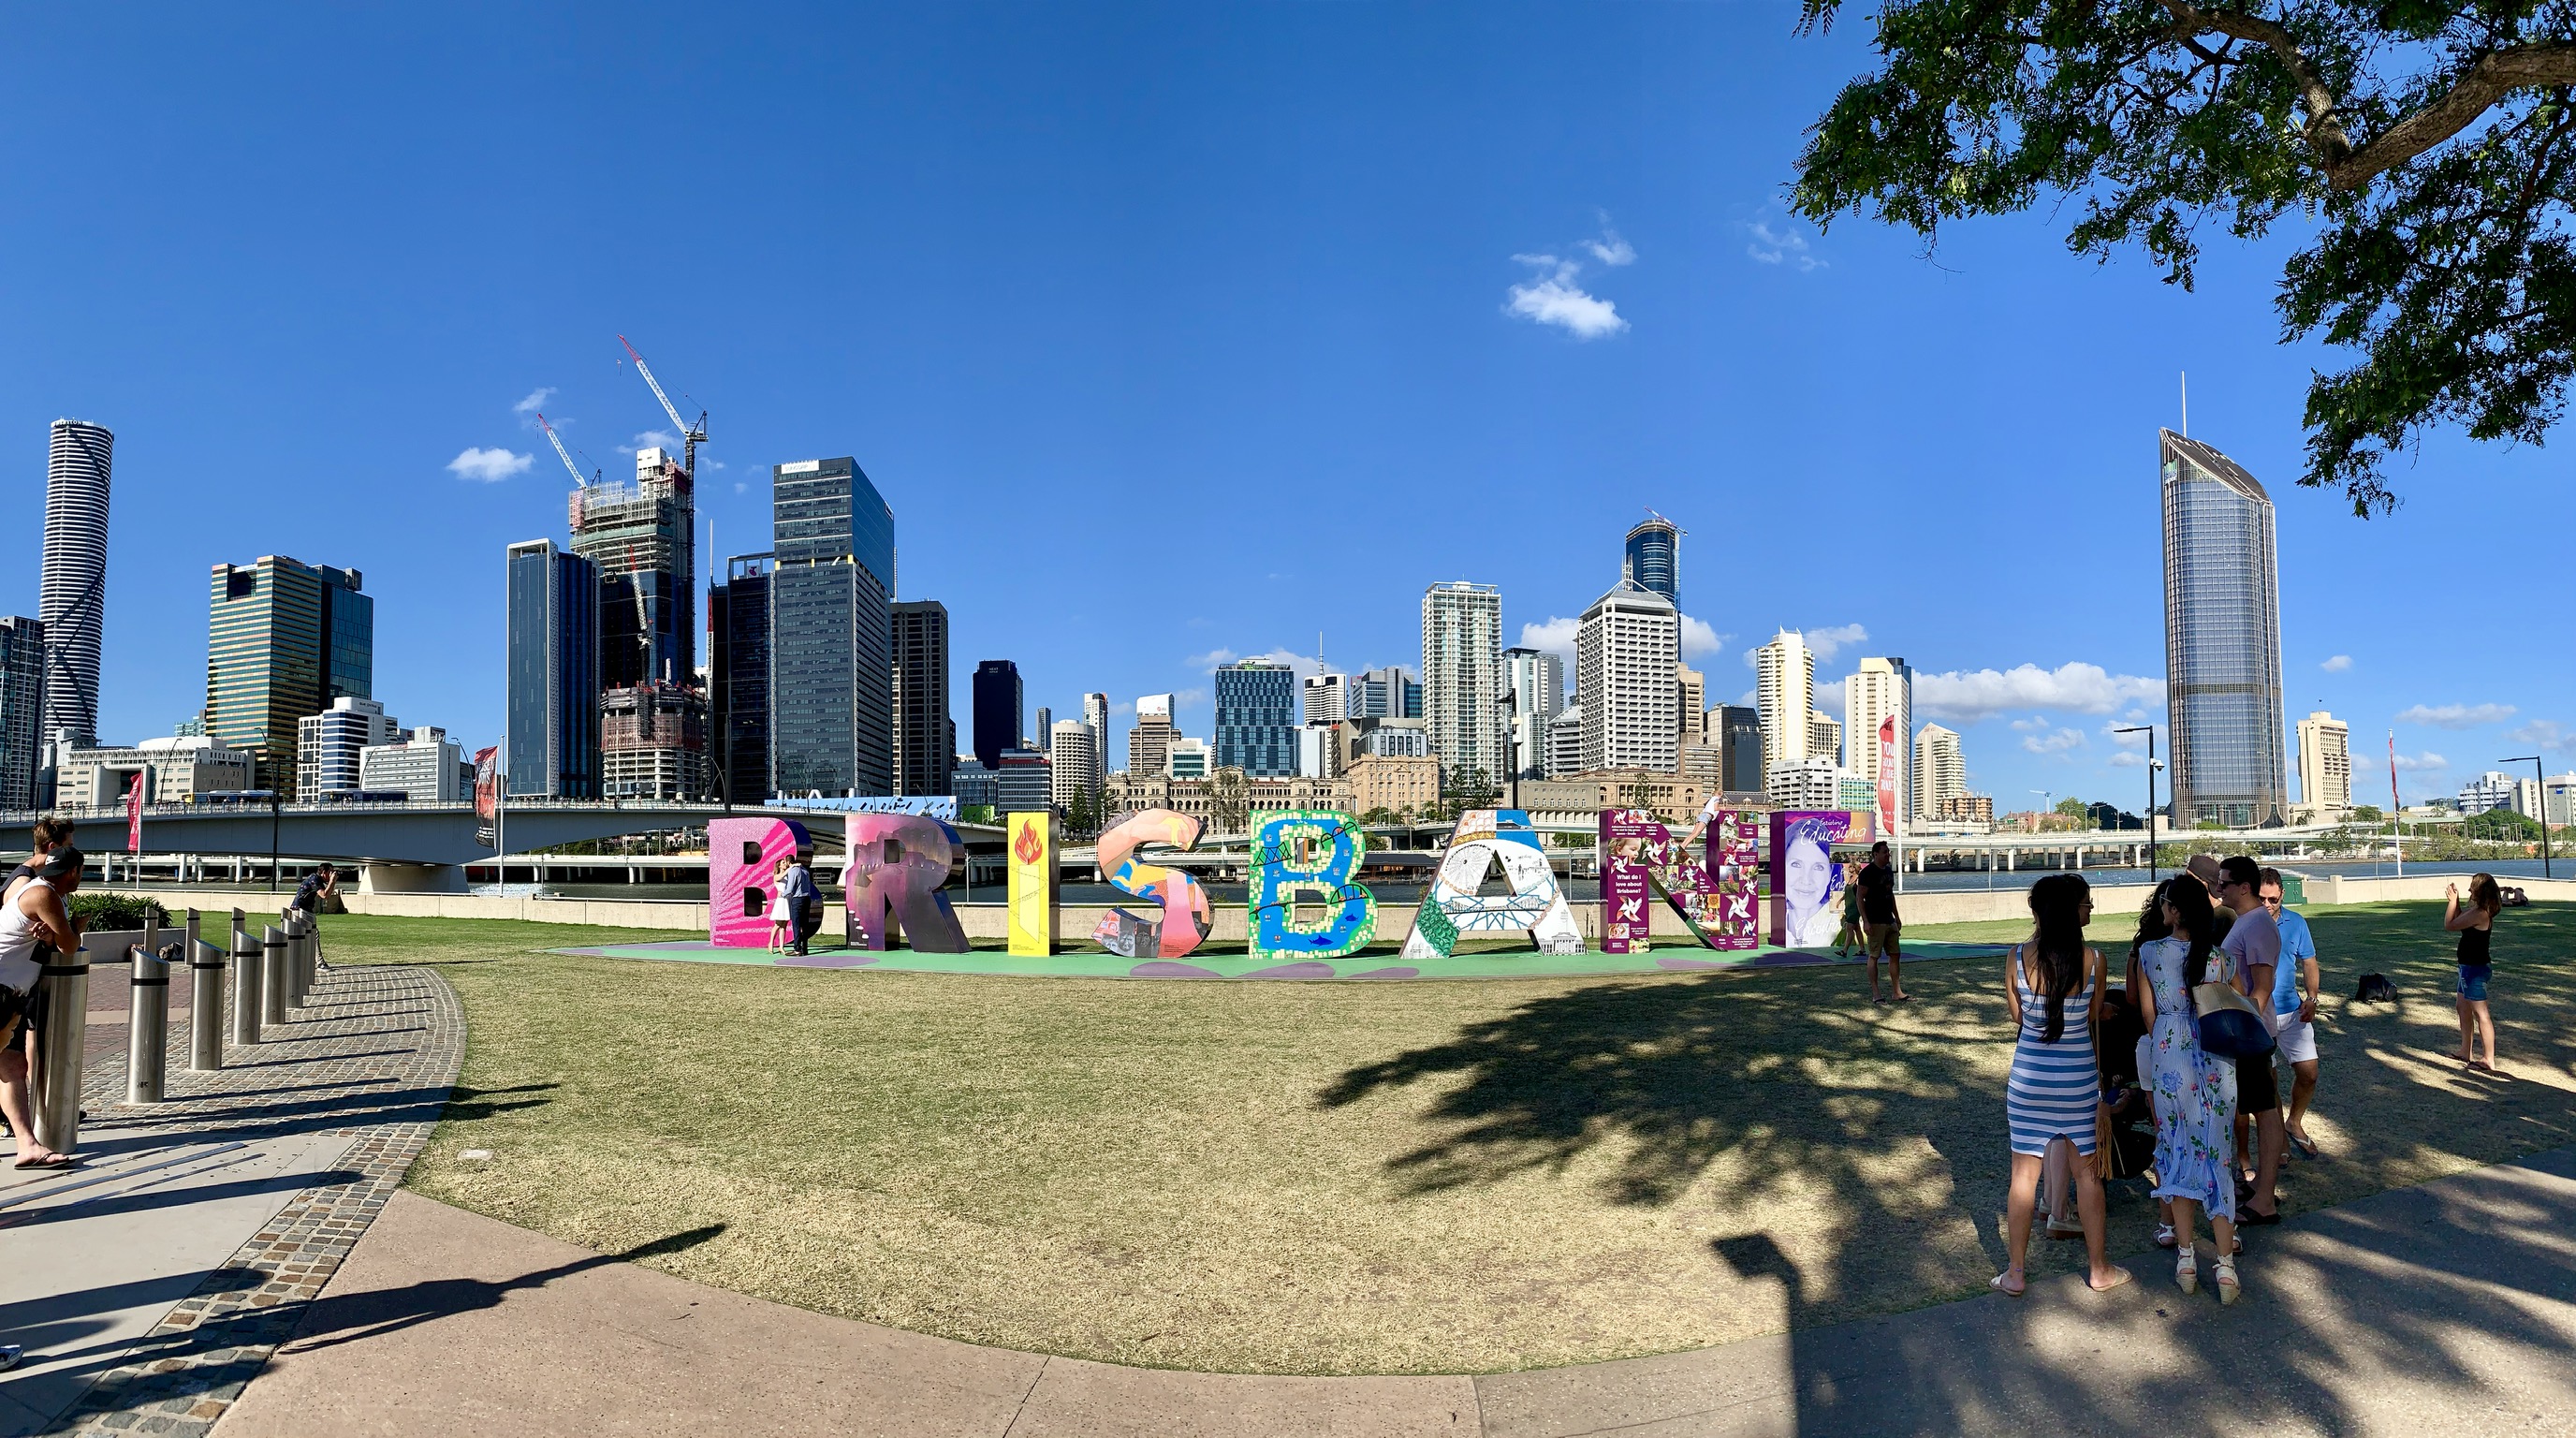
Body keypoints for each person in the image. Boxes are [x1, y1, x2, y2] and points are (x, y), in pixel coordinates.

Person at [1993, 873, 2131, 1297]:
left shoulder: (2016, 957)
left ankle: (2015, 1272)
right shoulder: (2094, 959)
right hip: (2078, 1081)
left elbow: (2018, 1017)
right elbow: (2093, 1010)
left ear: (2035, 911)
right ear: (2074, 912)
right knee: (2087, 1177)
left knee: (2022, 1177)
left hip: (2028, 1080)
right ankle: (2099, 1269)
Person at [2136, 873, 2243, 1302]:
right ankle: (2226, 1265)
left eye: (2165, 902)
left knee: (2177, 1148)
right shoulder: (2220, 959)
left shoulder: (2150, 953)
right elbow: (2239, 1004)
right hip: (2217, 1059)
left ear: (2174, 911)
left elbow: (2148, 1014)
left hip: (2170, 1055)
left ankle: (2185, 1256)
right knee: (2217, 1154)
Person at [2, 847, 86, 1169]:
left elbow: (53, 941)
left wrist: (51, 936)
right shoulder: (44, 895)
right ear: (73, 871)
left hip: (8, 995)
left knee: (11, 1067)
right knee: (9, 1067)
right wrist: (66, 932)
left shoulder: (36, 890)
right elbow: (69, 946)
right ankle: (28, 1144)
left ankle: (28, 1146)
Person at [2216, 855, 2284, 1224]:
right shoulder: (2248, 922)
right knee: (2261, 1107)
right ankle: (2261, 1191)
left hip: (2251, 1034)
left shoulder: (2256, 924)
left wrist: (2242, 1026)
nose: (2218, 888)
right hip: (2246, 1031)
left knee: (2265, 1110)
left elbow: (2263, 986)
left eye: (2224, 883)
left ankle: (2265, 1199)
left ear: (2244, 887)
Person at [2260, 869, 2323, 1156]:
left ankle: (2293, 1122)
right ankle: (2278, 1140)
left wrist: (2312, 998)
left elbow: (2309, 962)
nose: (2267, 904)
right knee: (2269, 1080)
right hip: (2260, 1014)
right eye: (2262, 898)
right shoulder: (2246, 923)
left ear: (2282, 894)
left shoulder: (2296, 923)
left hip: (2293, 1010)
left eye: (2273, 899)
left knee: (2309, 1073)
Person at [2445, 873, 2503, 1073]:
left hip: (2475, 970)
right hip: (2466, 968)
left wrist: (2452, 902)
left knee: (2481, 1013)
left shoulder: (2481, 913)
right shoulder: (2476, 911)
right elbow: (2460, 919)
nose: (2470, 890)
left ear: (2480, 890)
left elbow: (2450, 925)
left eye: (2472, 887)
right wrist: (2456, 902)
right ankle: (2465, 1051)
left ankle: (2488, 1059)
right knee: (2462, 1007)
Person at [1778, 817, 1843, 949]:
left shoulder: (1840, 924)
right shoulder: (1778, 922)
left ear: (1830, 873)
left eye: (1818, 867)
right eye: (1796, 864)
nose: (1806, 879)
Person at [1857, 840, 1908, 1004]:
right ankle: (1876, 993)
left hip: (1889, 920)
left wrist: (1897, 917)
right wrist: (1865, 921)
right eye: (1885, 852)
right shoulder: (1867, 873)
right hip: (1875, 921)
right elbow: (1860, 898)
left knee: (1895, 954)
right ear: (1875, 854)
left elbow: (1890, 895)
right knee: (1874, 956)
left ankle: (1897, 992)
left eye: (1888, 852)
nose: (1888, 855)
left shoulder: (1888, 871)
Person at [291, 862, 340, 970]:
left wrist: (333, 882)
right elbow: (324, 895)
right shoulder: (314, 879)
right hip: (300, 910)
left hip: (304, 910)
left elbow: (327, 895)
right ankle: (320, 963)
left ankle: (307, 961)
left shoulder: (317, 879)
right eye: (330, 872)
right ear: (324, 872)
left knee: (308, 935)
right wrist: (332, 881)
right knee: (313, 933)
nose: (332, 874)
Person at [779, 852, 820, 957]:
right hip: (807, 898)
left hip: (797, 899)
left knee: (796, 924)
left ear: (788, 862)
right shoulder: (805, 871)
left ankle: (797, 948)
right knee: (805, 924)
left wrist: (783, 894)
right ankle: (805, 948)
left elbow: (790, 887)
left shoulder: (793, 871)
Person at [768, 858, 795, 954]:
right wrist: (792, 867)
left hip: (787, 900)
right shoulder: (777, 876)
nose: (785, 864)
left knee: (784, 925)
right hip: (780, 901)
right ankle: (771, 943)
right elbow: (782, 875)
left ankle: (781, 946)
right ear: (779, 866)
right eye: (783, 863)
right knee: (778, 924)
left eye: (785, 863)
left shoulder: (788, 876)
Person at [1832, 872, 1863, 958]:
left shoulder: (1858, 880)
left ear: (1854, 868)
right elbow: (1847, 892)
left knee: (1849, 927)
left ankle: (1844, 951)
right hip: (1849, 907)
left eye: (1851, 867)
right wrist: (1840, 900)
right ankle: (1862, 949)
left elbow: (1861, 892)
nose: (1849, 868)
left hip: (1855, 908)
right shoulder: (1850, 879)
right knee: (1857, 928)